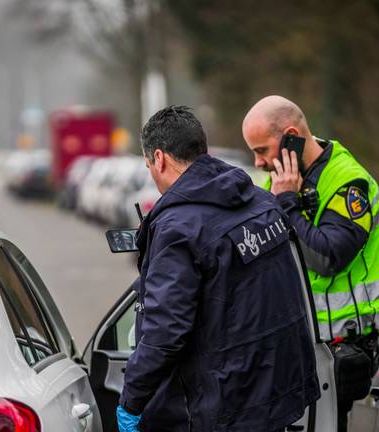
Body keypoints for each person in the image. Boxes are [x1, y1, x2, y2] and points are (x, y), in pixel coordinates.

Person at [117, 106, 320, 432]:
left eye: (148, 166)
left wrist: (131, 401)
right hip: (275, 396)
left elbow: (165, 332)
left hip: (219, 409)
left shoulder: (178, 227)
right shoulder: (261, 203)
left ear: (160, 159)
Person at [242, 95, 379, 430]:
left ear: (292, 135)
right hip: (298, 349)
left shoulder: (349, 183)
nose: (259, 163)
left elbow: (327, 257)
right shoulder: (279, 183)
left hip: (341, 354)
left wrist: (288, 204)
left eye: (262, 150)